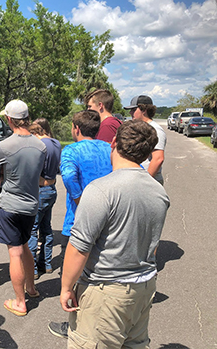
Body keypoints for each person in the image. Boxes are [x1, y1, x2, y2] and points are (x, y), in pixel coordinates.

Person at [60, 120, 170, 348]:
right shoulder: (158, 191)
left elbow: (79, 247)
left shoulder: (101, 190)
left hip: (107, 292)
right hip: (143, 287)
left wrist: (66, 287)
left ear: (113, 142)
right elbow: (153, 244)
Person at [48, 110, 112, 338]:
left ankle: (76, 326)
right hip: (110, 219)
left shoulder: (72, 150)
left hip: (77, 221)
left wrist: (80, 199)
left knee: (74, 275)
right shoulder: (109, 148)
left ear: (76, 128)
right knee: (101, 271)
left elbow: (68, 176)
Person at [0, 100, 46, 317]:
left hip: (10, 205)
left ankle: (20, 302)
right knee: (25, 246)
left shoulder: (4, 146)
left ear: (9, 120)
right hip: (31, 205)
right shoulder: (41, 146)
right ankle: (31, 288)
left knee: (15, 253)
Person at [27, 121, 61, 279]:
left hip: (40, 189)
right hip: (52, 189)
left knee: (32, 230)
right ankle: (46, 263)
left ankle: (32, 267)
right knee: (46, 228)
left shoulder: (40, 146)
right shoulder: (56, 143)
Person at [125, 95, 166, 185]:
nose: (130, 113)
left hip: (150, 181)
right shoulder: (141, 127)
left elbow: (158, 158)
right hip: (138, 179)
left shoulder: (155, 129)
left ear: (144, 110)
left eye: (133, 110)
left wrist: (146, 181)